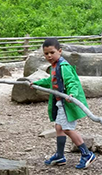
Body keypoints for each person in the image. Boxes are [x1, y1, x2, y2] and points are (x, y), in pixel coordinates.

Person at [30, 38, 96, 169]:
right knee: (59, 128)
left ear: (59, 51)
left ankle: (87, 154)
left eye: (52, 52)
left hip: (68, 103)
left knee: (67, 128)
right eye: (46, 53)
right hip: (61, 103)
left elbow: (72, 82)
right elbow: (51, 80)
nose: (49, 56)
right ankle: (60, 155)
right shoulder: (54, 66)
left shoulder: (64, 66)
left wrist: (71, 94)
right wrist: (37, 83)